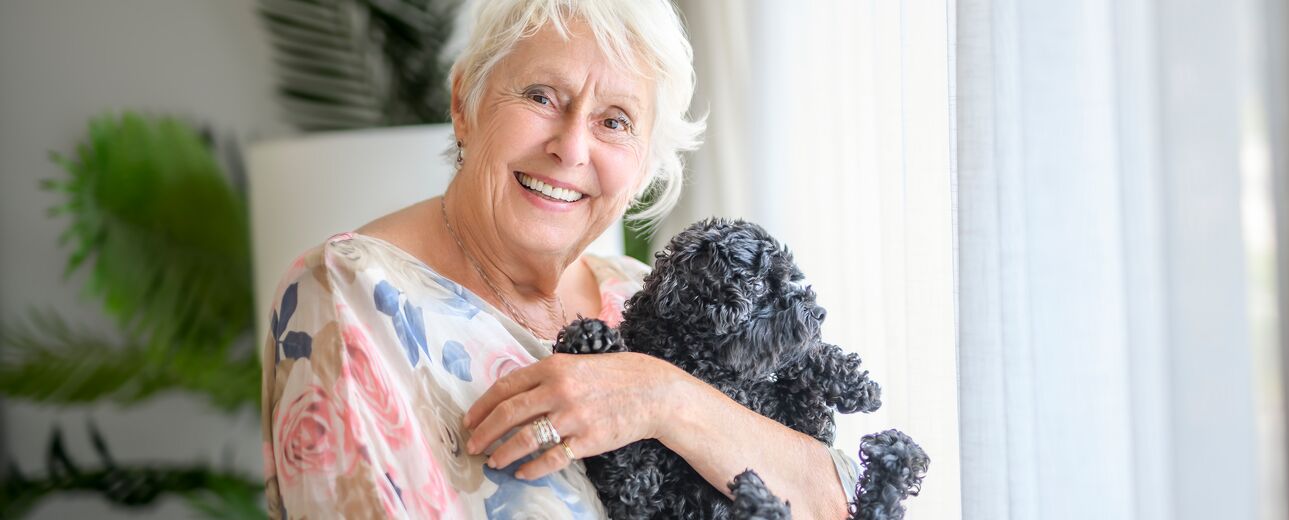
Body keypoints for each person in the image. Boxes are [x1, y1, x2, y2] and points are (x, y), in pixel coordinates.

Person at [260, 0, 858, 517]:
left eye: (614, 121)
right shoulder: (348, 293)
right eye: (542, 96)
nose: (572, 147)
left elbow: (834, 503)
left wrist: (663, 399)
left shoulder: (647, 300)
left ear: (645, 164)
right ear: (465, 103)